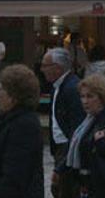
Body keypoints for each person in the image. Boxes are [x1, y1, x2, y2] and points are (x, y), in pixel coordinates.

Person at [0, 64, 44, 198]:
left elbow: (14, 176)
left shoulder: (24, 125)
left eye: (0, 90)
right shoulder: (6, 118)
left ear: (14, 96)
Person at [41, 47, 85, 198]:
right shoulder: (57, 87)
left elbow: (77, 129)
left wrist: (61, 165)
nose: (42, 70)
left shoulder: (72, 88)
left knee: (66, 190)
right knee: (58, 189)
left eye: (45, 66)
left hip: (68, 150)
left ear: (58, 68)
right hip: (61, 149)